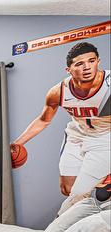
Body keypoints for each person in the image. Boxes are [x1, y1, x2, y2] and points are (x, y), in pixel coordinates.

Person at [12, 42, 110, 213]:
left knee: (79, 194)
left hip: (104, 138)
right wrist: (17, 144)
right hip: (76, 136)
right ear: (69, 70)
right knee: (67, 189)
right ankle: (105, 181)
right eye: (79, 64)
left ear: (98, 62)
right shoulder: (58, 91)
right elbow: (43, 120)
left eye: (92, 61)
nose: (87, 67)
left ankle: (65, 230)